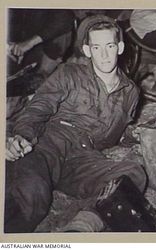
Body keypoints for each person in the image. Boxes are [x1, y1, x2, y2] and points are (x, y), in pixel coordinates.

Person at [5, 15, 146, 233]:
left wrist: (132, 137)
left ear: (119, 47)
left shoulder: (131, 92)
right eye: (97, 47)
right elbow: (39, 107)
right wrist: (22, 135)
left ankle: (82, 228)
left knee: (132, 173)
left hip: (84, 156)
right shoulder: (70, 73)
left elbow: (118, 131)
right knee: (33, 192)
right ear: (88, 50)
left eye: (109, 46)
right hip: (49, 142)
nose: (104, 54)